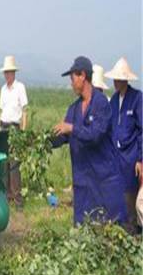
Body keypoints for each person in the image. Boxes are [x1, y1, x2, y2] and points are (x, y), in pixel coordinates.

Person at [51, 56, 127, 225]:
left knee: (108, 228)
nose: (71, 83)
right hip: (83, 181)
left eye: (72, 78)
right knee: (83, 228)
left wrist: (72, 128)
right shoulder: (74, 108)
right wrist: (43, 142)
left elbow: (95, 135)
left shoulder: (101, 104)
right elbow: (64, 136)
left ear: (82, 76)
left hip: (102, 180)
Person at [105, 57, 142, 233]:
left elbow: (142, 130)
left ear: (124, 79)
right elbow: (110, 128)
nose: (115, 82)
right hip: (117, 157)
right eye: (114, 79)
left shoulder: (137, 99)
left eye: (118, 79)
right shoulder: (113, 101)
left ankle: (133, 233)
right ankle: (122, 231)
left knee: (130, 195)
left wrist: (140, 159)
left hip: (131, 157)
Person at [0, 55, 28, 209]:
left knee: (14, 164)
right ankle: (6, 196)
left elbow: (24, 110)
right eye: (5, 72)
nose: (7, 75)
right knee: (4, 163)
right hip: (4, 126)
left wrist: (23, 130)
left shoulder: (20, 87)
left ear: (14, 73)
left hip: (15, 128)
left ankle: (18, 200)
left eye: (9, 72)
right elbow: (1, 111)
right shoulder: (3, 89)